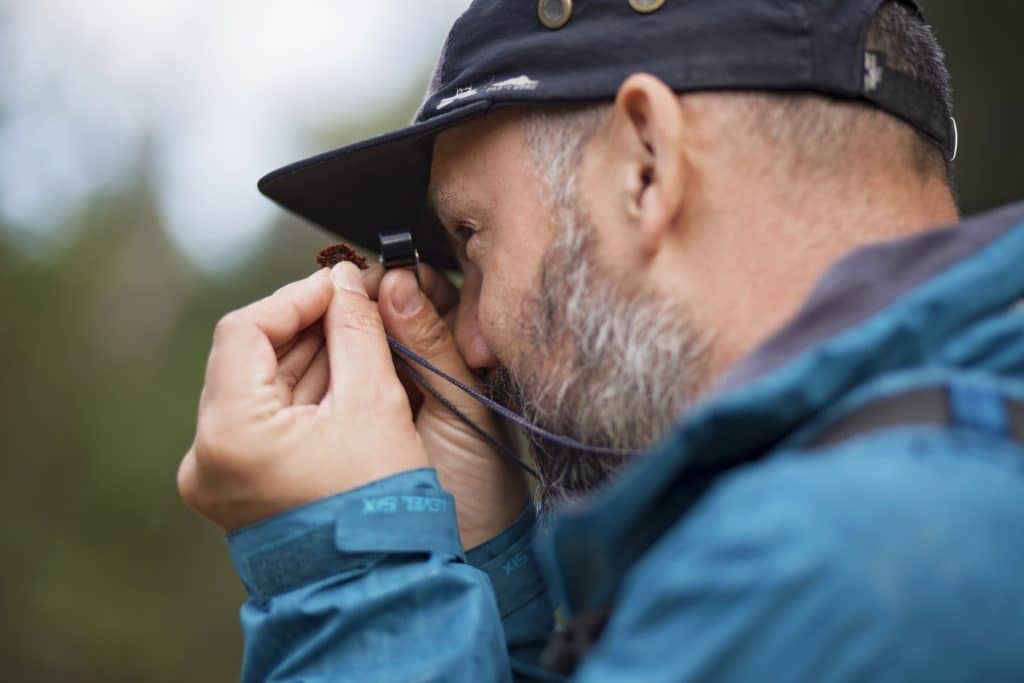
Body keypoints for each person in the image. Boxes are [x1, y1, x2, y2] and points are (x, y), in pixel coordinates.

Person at [177, 0, 1024, 680]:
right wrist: (489, 594)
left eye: (469, 235)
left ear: (646, 167)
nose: (467, 342)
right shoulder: (948, 484)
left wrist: (352, 572)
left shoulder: (836, 567)